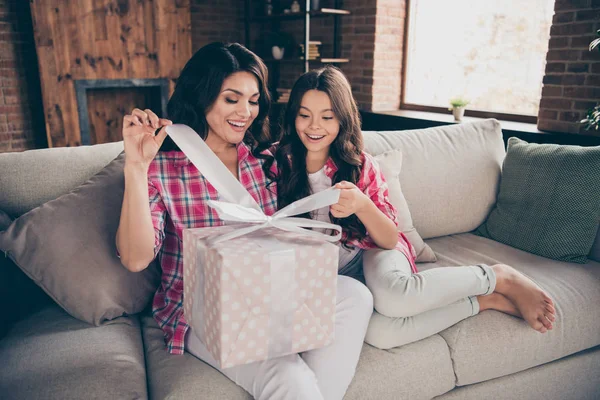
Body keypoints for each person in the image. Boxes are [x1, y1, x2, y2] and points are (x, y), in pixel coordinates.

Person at [116, 43, 373, 400]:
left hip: (268, 288)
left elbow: (326, 151)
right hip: (201, 308)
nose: (245, 112)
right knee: (288, 377)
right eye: (231, 99)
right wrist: (135, 166)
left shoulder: (266, 159)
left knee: (355, 294)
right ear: (202, 96)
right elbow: (134, 258)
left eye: (253, 100)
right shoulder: (163, 168)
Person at [271, 65, 556, 350]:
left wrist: (361, 203)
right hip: (333, 274)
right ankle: (485, 301)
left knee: (394, 296)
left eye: (327, 117)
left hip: (373, 250)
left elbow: (389, 239)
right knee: (382, 335)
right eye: (304, 115)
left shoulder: (360, 165)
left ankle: (496, 276)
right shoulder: (276, 163)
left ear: (342, 120)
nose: (314, 126)